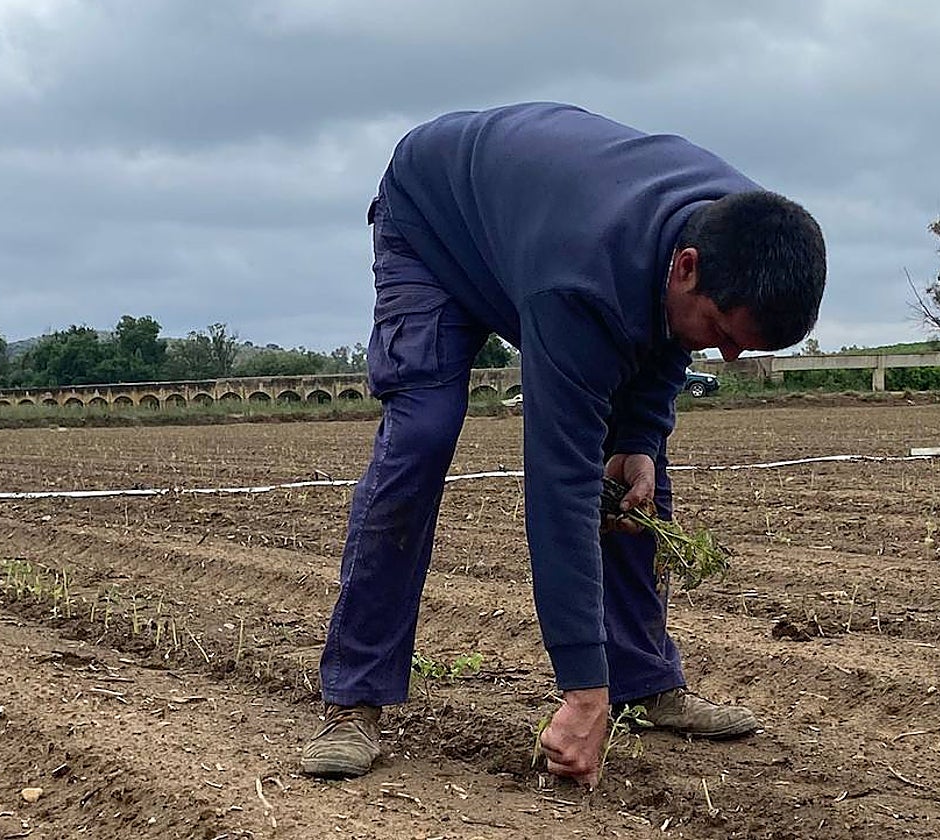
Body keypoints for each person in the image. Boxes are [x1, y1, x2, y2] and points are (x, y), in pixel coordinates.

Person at [303, 102, 826, 788]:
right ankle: (354, 698)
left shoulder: (742, 227)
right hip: (433, 220)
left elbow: (668, 336)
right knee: (423, 432)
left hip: (534, 225)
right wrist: (582, 692)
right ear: (686, 267)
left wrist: (640, 438)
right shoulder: (581, 281)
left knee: (633, 477)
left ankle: (644, 680)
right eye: (725, 334)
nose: (726, 356)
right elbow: (560, 486)